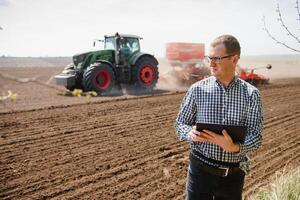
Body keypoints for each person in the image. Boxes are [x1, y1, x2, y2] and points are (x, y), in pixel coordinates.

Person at [175, 34, 263, 200]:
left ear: (234, 59)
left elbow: (256, 137)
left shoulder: (252, 95)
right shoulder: (197, 90)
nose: (211, 63)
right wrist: (190, 134)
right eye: (210, 58)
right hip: (199, 172)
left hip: (233, 176)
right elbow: (180, 124)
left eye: (217, 58)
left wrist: (234, 147)